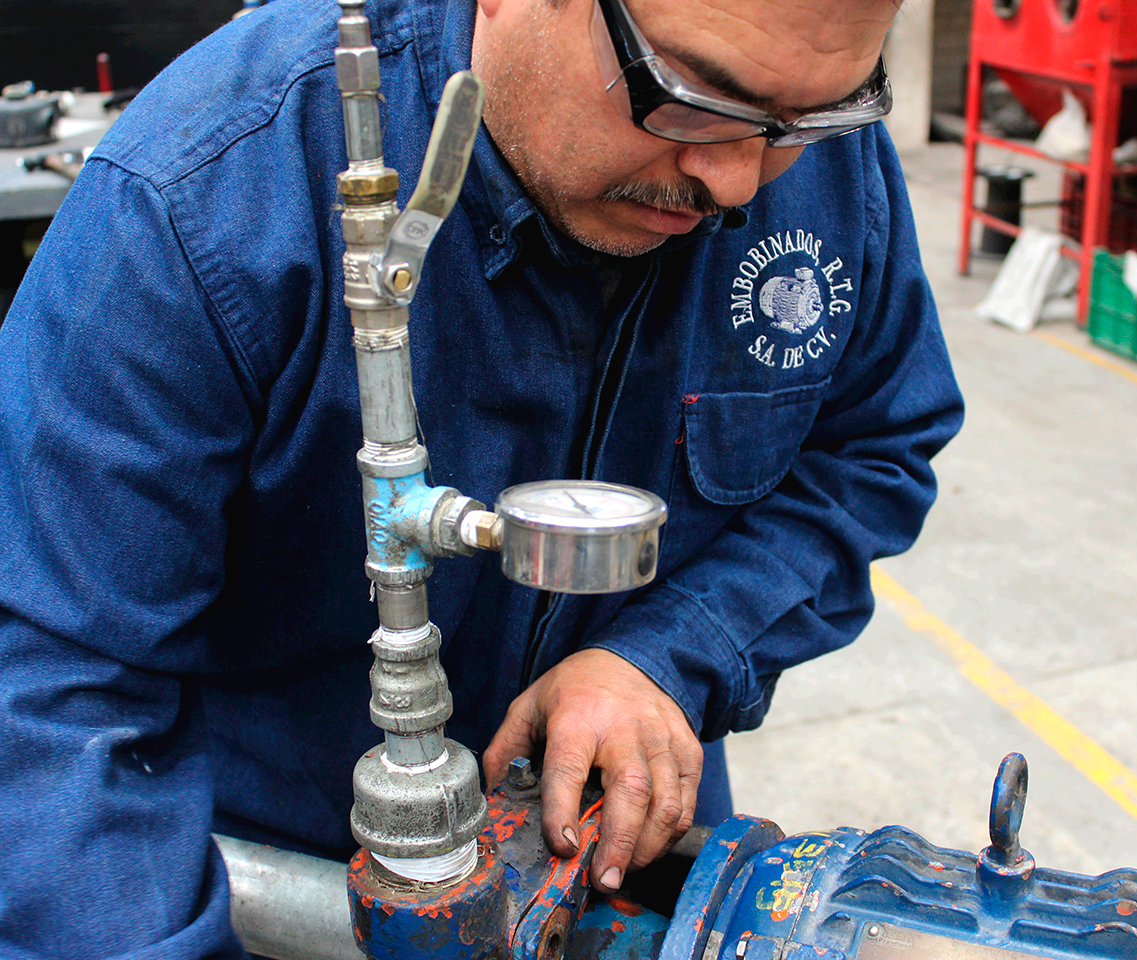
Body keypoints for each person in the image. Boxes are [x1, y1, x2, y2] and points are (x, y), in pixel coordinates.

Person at [0, 0, 963, 955]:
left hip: (619, 843)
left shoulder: (810, 134)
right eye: (691, 97)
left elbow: (870, 453)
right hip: (275, 875)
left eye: (804, 123)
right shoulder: (204, 194)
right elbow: (49, 686)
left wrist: (673, 656)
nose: (738, 181)